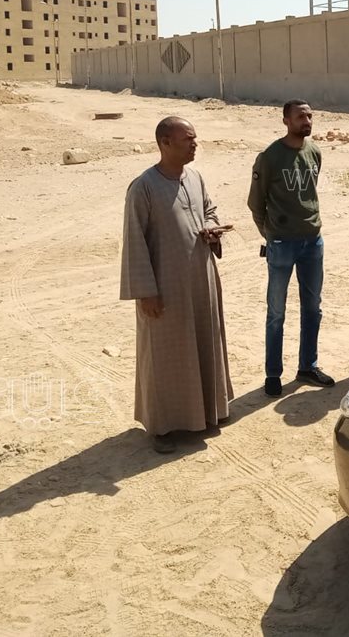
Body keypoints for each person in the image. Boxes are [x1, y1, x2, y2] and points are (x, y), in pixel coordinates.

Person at [120, 116, 234, 453]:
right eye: (188, 139)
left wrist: (211, 228)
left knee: (202, 344)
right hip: (164, 289)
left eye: (195, 138)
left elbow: (209, 210)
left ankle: (206, 414)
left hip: (200, 281)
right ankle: (162, 427)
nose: (195, 144)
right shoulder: (143, 187)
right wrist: (146, 293)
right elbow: (134, 242)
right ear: (165, 143)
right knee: (164, 357)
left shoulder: (195, 178)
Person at [247, 100, 335, 397]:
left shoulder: (314, 152)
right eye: (300, 117)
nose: (307, 121)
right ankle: (273, 374)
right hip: (282, 244)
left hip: (313, 241)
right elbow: (256, 202)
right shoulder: (270, 157)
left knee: (313, 308)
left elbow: (309, 191)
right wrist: (271, 235)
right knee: (277, 312)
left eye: (310, 116)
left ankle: (307, 367)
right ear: (286, 121)